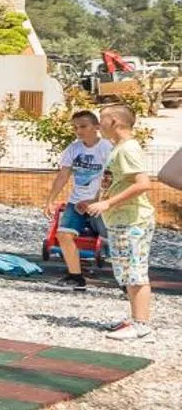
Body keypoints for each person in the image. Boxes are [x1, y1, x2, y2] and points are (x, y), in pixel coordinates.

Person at [85, 103, 158, 342]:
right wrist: (96, 200)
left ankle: (142, 324)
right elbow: (118, 182)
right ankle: (135, 317)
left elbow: (143, 183)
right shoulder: (118, 149)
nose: (98, 124)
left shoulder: (128, 149)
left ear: (115, 121)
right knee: (126, 272)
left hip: (132, 221)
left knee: (136, 271)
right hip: (120, 220)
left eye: (102, 119)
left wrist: (108, 203)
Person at [44, 109, 112, 290]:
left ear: (96, 127)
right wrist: (50, 199)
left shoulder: (107, 148)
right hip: (76, 202)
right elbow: (63, 174)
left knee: (111, 238)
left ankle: (126, 281)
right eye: (75, 128)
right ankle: (75, 276)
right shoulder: (73, 148)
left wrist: (95, 200)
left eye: (83, 126)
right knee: (63, 235)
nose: (79, 131)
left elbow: (110, 178)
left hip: (99, 202)